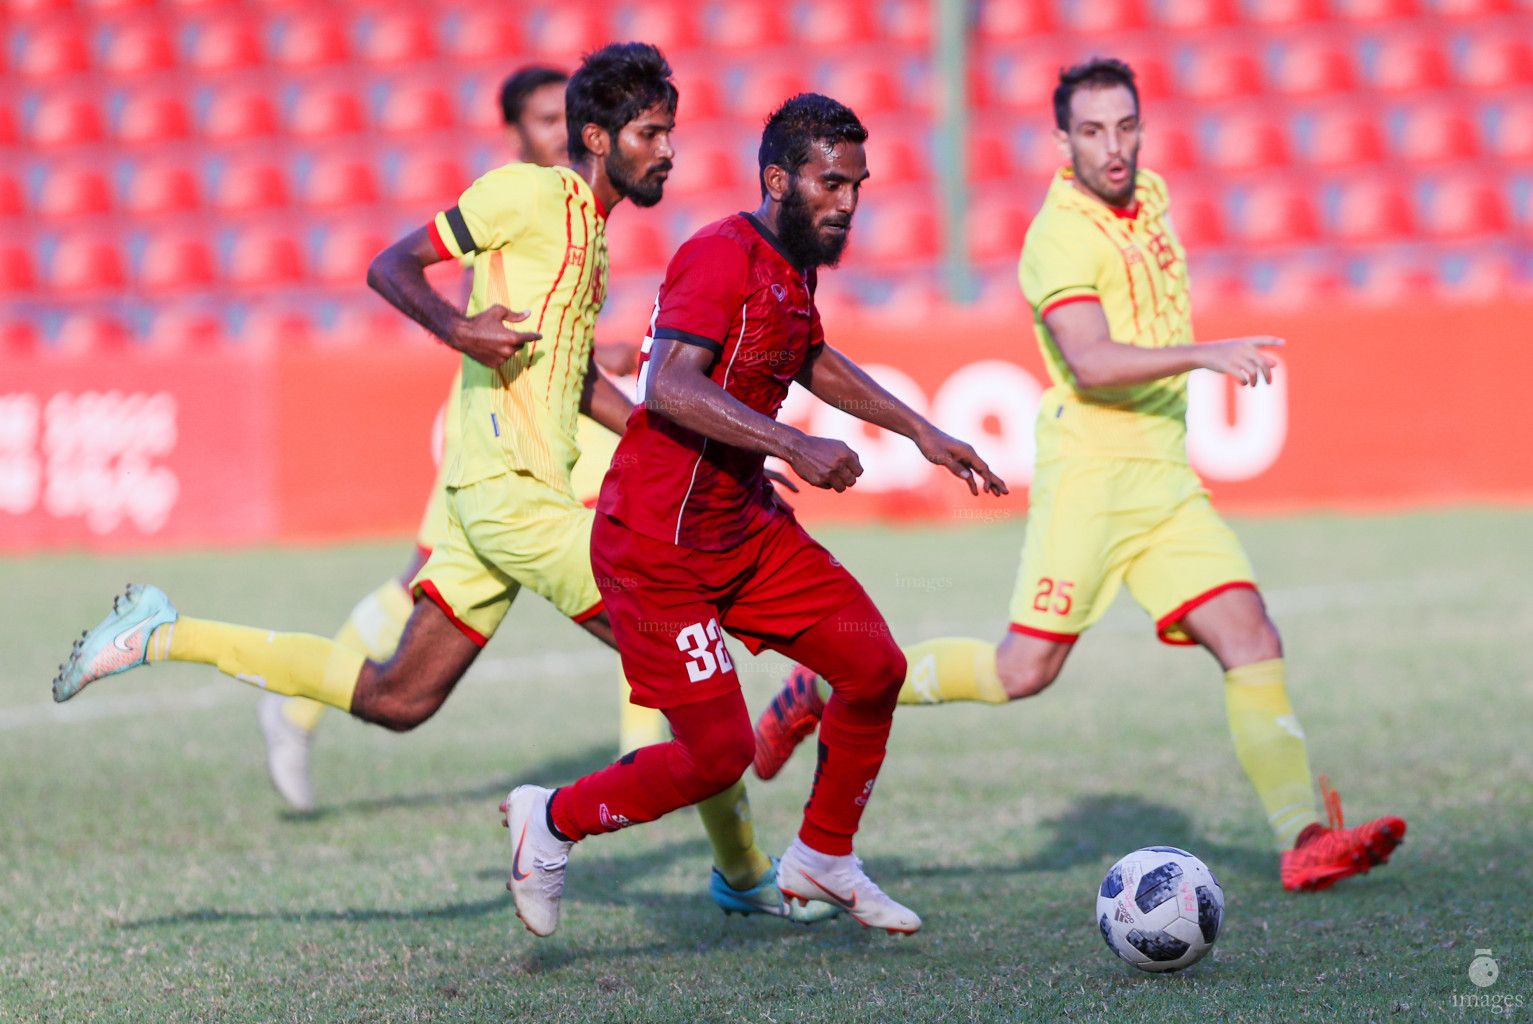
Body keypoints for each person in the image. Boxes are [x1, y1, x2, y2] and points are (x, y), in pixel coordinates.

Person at [52, 43, 828, 925]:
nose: (669, 151)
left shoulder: (590, 237)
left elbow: (573, 380)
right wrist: (459, 330)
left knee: (397, 697)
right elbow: (390, 266)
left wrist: (708, 445)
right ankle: (744, 875)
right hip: (514, 499)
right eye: (651, 133)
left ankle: (162, 630)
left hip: (484, 506)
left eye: (671, 132)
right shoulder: (526, 194)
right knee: (693, 659)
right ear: (596, 137)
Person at [750, 59, 1406, 894]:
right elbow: (1091, 362)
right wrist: (1204, 353)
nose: (1114, 147)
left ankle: (1303, 838)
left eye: (1125, 126)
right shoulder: (1057, 236)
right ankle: (825, 684)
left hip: (1164, 476)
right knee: (1022, 671)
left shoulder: (1152, 199)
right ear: (1062, 141)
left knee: (1251, 638)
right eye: (1092, 132)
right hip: (1093, 474)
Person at [501, 93, 1010, 939]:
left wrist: (922, 430)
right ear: (778, 179)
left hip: (743, 528)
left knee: (872, 666)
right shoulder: (716, 254)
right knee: (716, 757)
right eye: (830, 184)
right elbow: (666, 385)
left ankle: (822, 857)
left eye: (858, 184)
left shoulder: (791, 260)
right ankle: (550, 820)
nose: (847, 202)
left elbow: (807, 353)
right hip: (655, 545)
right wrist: (791, 442)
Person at [255, 64, 662, 814]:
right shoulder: (518, 193)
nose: (555, 132)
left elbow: (556, 314)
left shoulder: (588, 214)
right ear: (521, 133)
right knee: (423, 580)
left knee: (629, 566)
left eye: (558, 117)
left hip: (553, 411)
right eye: (542, 121)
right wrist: (461, 331)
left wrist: (600, 361)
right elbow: (463, 290)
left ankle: (648, 759)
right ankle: (295, 703)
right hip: (492, 412)